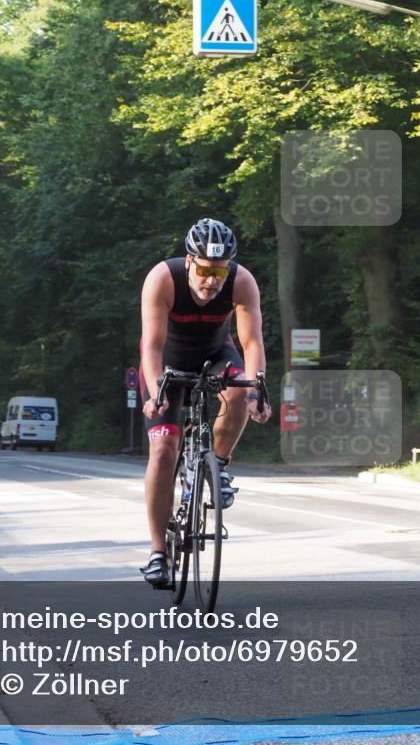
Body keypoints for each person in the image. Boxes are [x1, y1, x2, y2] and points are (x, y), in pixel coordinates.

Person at [139, 218, 271, 587]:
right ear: (189, 261)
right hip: (168, 361)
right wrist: (154, 392)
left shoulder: (241, 282)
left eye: (219, 270)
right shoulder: (163, 278)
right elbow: (151, 344)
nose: (212, 280)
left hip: (216, 354)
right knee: (163, 451)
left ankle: (220, 465)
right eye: (204, 270)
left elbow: (252, 343)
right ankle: (157, 552)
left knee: (241, 389)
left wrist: (258, 390)